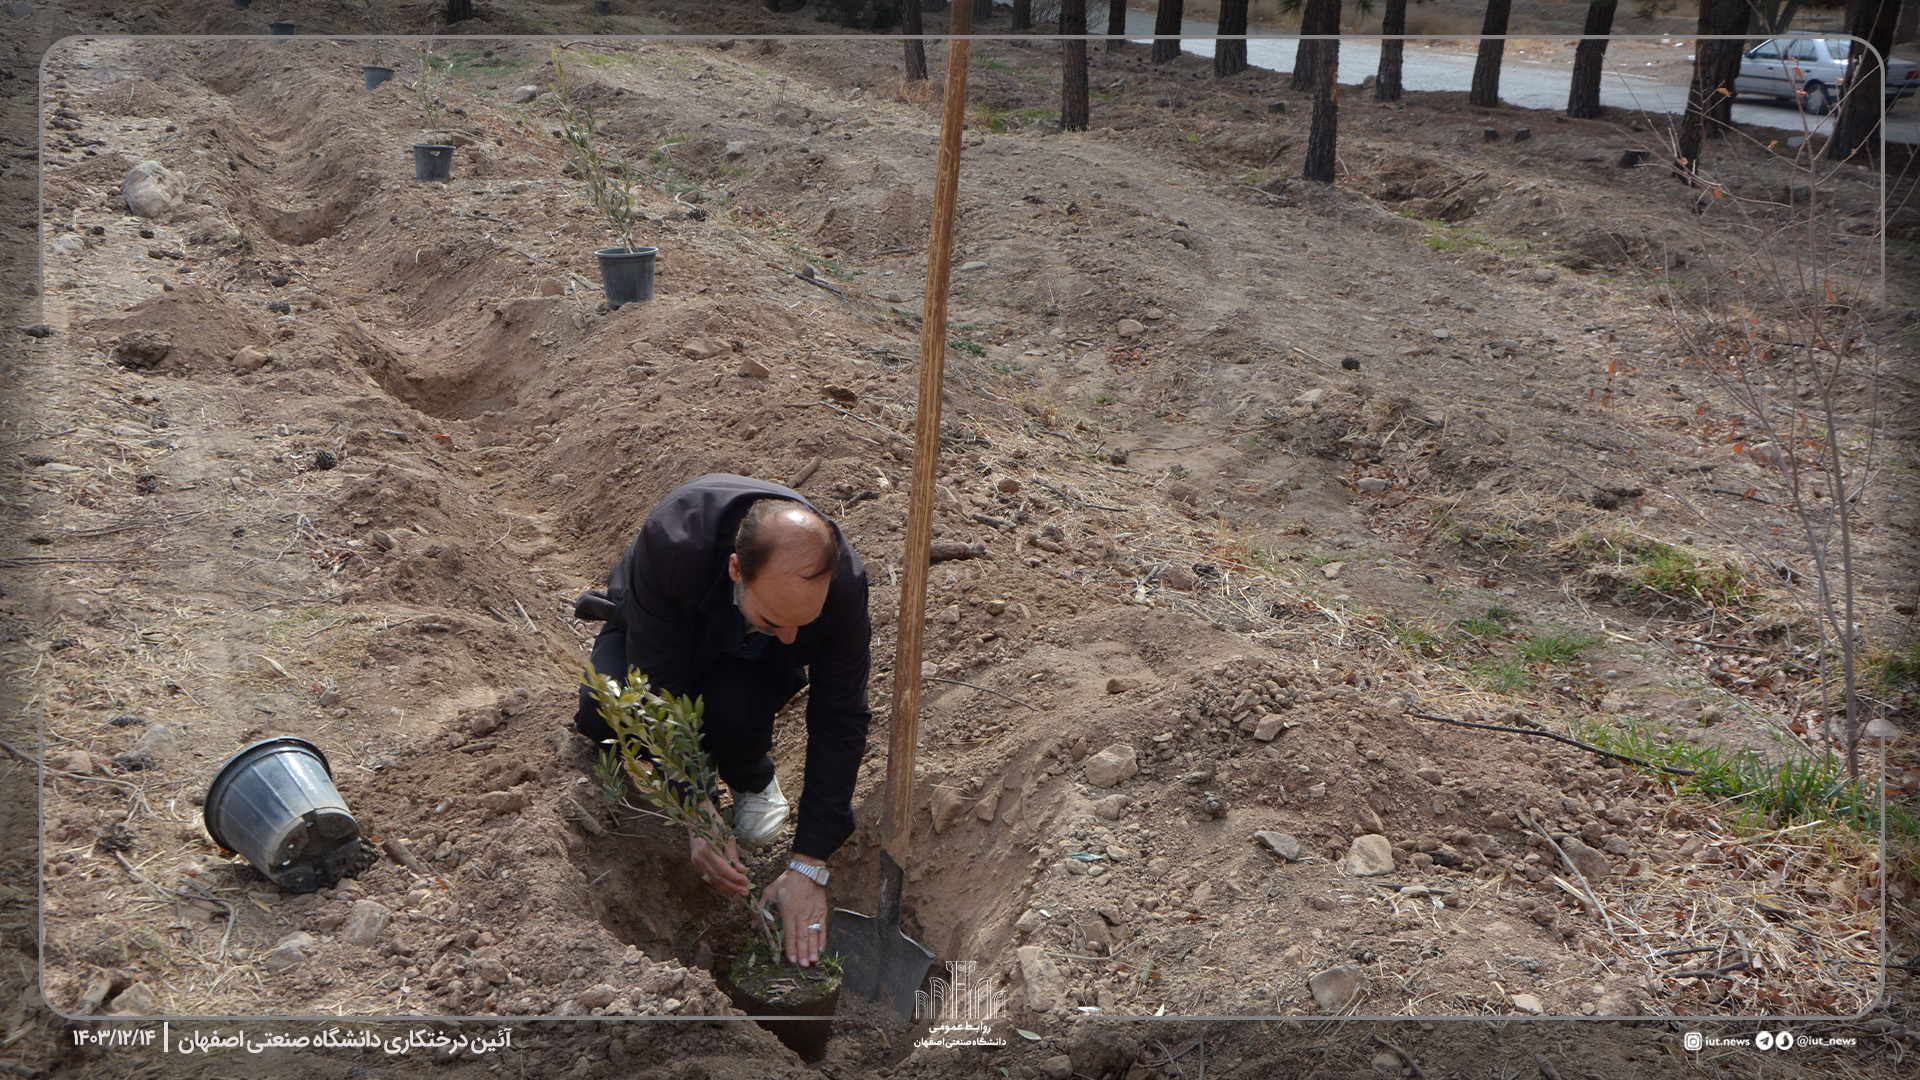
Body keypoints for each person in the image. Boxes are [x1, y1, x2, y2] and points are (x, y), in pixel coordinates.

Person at [573, 473, 872, 969]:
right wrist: (695, 805)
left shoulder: (842, 587)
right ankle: (688, 789)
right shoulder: (674, 544)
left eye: (803, 624)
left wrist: (810, 863)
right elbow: (658, 688)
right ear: (736, 568)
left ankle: (751, 776)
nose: (792, 637)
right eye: (775, 619)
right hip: (663, 626)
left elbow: (841, 716)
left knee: (733, 710)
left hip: (749, 659)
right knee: (603, 710)